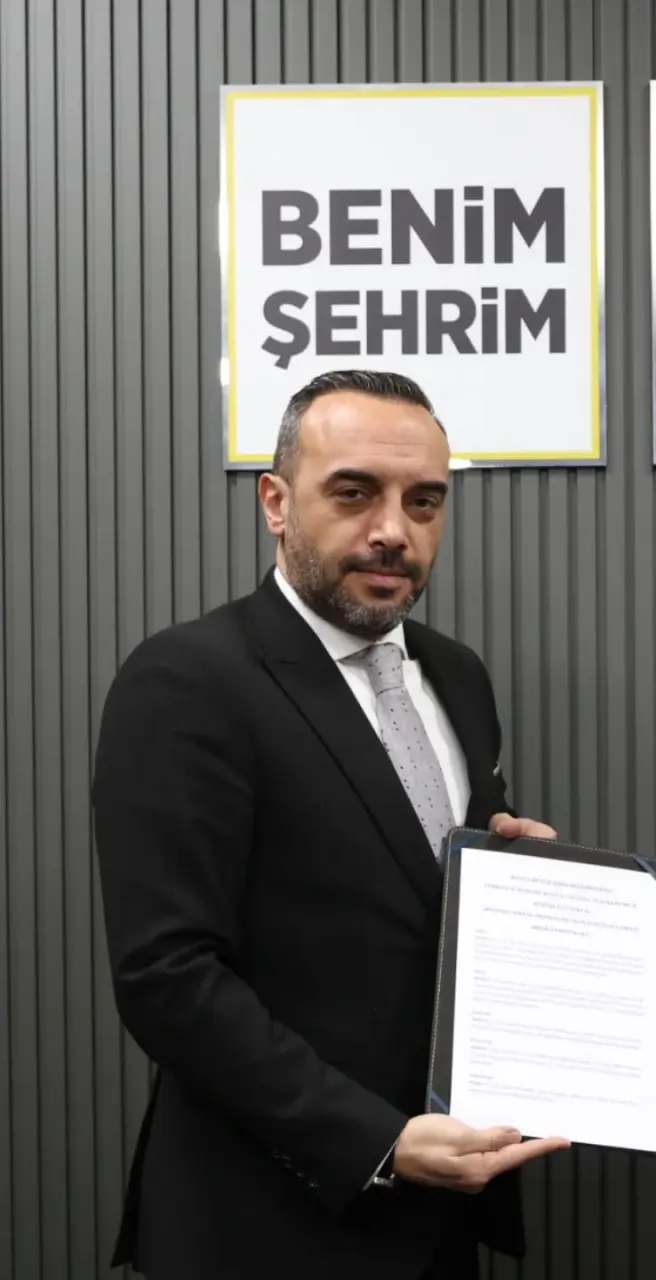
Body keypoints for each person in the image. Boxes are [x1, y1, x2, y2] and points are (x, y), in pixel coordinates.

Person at [92, 370, 569, 1280]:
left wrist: (517, 883)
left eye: (424, 501)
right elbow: (167, 976)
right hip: (263, 1225)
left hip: (439, 1218)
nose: (394, 529)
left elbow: (411, 898)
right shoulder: (187, 681)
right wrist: (378, 1142)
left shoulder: (456, 676)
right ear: (275, 502)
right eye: (354, 493)